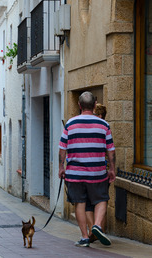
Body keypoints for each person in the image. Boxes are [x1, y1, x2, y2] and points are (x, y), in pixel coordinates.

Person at [59, 92, 116, 247]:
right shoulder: (104, 125)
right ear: (95, 104)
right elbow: (111, 150)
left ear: (79, 105)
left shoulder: (70, 124)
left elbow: (62, 149)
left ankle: (85, 236)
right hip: (97, 172)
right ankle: (97, 225)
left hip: (74, 173)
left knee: (79, 203)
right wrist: (112, 169)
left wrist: (61, 167)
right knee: (101, 199)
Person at [86, 103, 107, 243]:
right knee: (101, 200)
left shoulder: (83, 126)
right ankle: (99, 228)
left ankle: (91, 231)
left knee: (87, 203)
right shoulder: (105, 127)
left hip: (83, 171)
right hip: (100, 170)